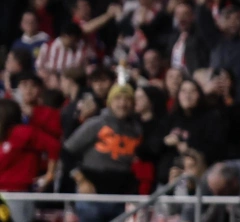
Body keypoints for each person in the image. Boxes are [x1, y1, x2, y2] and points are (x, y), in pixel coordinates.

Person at [64, 83, 143, 222]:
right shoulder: (96, 124)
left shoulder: (136, 130)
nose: (123, 103)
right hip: (92, 195)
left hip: (120, 197)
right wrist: (81, 181)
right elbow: (66, 152)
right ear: (109, 102)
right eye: (118, 98)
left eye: (127, 99)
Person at [0, 98, 61, 222]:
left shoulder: (24, 132)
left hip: (18, 195)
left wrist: (50, 175)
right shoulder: (3, 136)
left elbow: (54, 146)